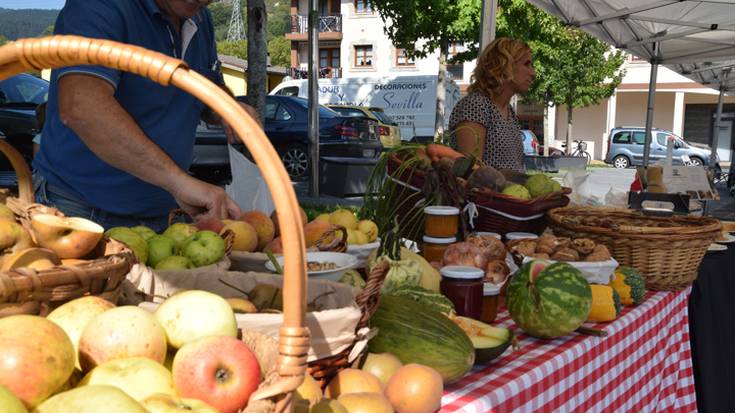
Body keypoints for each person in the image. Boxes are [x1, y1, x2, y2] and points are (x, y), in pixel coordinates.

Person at [33, 0, 250, 232]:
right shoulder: (99, 6)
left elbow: (205, 90)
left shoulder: (198, 18)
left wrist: (228, 109)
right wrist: (178, 182)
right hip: (80, 209)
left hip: (161, 214)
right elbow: (81, 106)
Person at [448, 38, 535, 172]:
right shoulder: (476, 105)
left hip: (511, 192)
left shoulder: (509, 111)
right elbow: (469, 172)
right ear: (505, 65)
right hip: (485, 192)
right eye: (526, 64)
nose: (532, 73)